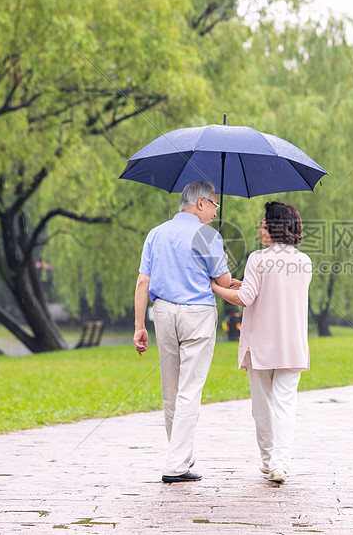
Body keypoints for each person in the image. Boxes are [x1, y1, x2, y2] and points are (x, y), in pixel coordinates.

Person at [133, 181, 237, 484]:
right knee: (190, 389)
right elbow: (224, 280)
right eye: (215, 205)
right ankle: (176, 464)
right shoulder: (208, 236)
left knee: (171, 389)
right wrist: (225, 263)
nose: (216, 212)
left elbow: (142, 282)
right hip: (197, 314)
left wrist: (140, 326)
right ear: (201, 204)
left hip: (163, 312)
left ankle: (181, 457)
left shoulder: (156, 233)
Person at [211, 201, 312, 484]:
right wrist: (246, 283)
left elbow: (247, 299)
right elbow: (280, 293)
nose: (260, 227)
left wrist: (216, 287)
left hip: (261, 346)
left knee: (262, 407)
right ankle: (280, 463)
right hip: (292, 344)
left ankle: (269, 461)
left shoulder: (258, 258)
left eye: (264, 222)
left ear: (274, 227)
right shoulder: (305, 261)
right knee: (285, 404)